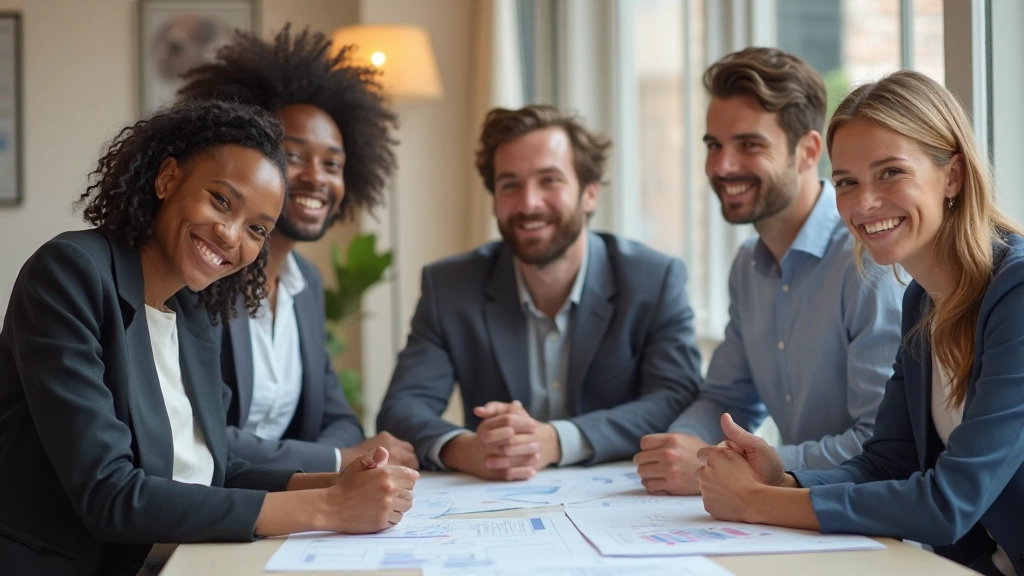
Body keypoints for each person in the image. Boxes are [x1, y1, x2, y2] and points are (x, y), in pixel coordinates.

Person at [0, 100, 417, 576]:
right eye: (221, 200)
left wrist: (335, 482)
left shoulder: (193, 313)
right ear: (167, 179)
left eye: (257, 228)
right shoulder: (70, 272)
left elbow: (212, 468)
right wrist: (327, 509)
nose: (230, 234)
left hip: (178, 559)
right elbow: (109, 493)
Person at [695, 70, 1024, 576]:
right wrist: (781, 481)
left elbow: (950, 502)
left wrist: (755, 503)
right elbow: (886, 464)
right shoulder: (922, 300)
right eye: (846, 182)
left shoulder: (1016, 293)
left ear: (952, 176)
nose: (864, 203)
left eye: (891, 172)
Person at [376, 105, 703, 480]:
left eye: (550, 180)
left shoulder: (653, 279)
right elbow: (401, 408)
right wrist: (465, 449)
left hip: (619, 498)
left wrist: (555, 440)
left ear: (589, 194)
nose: (529, 203)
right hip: (495, 502)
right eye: (510, 184)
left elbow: (675, 398)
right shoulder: (450, 286)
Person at [634, 47, 904, 495]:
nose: (722, 166)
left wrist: (725, 463)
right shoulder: (747, 266)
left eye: (749, 145)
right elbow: (726, 397)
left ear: (807, 151)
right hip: (795, 515)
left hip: (873, 521)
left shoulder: (868, 259)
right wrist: (679, 446)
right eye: (714, 146)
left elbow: (879, 443)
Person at [178, 26, 417, 473]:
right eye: (294, 155)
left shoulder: (304, 284)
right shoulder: (201, 271)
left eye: (333, 164)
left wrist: (342, 455)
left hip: (286, 507)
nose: (317, 178)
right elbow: (196, 432)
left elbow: (340, 419)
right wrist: (334, 459)